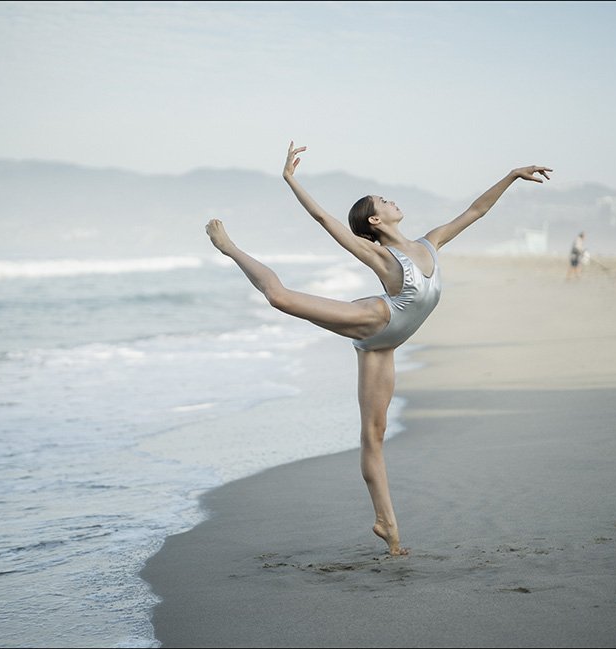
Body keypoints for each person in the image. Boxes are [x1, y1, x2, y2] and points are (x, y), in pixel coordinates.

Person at [205, 142, 552, 555]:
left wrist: (512, 175)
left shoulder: (431, 242)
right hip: (374, 322)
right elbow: (322, 218)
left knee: (375, 435)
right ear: (375, 218)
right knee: (279, 298)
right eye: (382, 200)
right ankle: (229, 248)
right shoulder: (379, 255)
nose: (391, 199)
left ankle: (386, 524)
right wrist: (290, 180)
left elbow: (475, 211)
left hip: (383, 348)